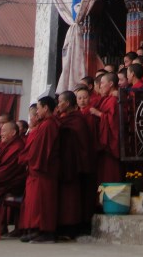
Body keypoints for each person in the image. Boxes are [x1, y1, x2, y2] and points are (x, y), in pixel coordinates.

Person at [19, 95, 61, 243]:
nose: (37, 111)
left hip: (44, 169)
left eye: (39, 107)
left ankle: (46, 232)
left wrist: (32, 162)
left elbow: (43, 149)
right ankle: (36, 229)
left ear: (46, 108)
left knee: (44, 202)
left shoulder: (49, 125)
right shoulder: (45, 124)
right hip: (39, 168)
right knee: (36, 202)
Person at [56, 90, 94, 238]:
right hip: (66, 164)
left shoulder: (77, 120)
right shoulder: (65, 118)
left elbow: (82, 144)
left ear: (66, 103)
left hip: (74, 165)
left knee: (72, 198)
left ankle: (72, 228)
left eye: (60, 102)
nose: (58, 105)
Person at [89, 72, 121, 183]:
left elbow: (114, 122)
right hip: (103, 146)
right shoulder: (107, 98)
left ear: (111, 84)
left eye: (102, 83)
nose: (100, 85)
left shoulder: (113, 100)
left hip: (109, 146)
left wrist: (98, 114)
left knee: (110, 176)